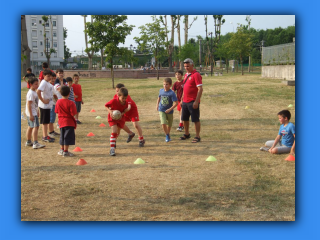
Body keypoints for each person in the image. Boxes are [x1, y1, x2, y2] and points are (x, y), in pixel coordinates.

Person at [180, 58, 203, 143]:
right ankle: (187, 133)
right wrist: (182, 99)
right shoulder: (186, 75)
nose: (186, 68)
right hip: (185, 101)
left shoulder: (196, 75)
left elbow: (200, 89)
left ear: (192, 65)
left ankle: (197, 136)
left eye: (188, 66)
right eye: (185, 66)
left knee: (195, 119)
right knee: (185, 119)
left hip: (192, 101)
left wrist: (196, 101)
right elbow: (185, 88)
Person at [105, 87, 130, 156]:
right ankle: (112, 149)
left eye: (125, 98)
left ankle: (113, 141)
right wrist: (110, 112)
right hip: (112, 118)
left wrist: (121, 114)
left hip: (119, 118)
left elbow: (124, 111)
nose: (124, 100)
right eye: (123, 98)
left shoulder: (126, 103)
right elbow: (106, 106)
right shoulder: (113, 101)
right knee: (114, 131)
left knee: (117, 133)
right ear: (118, 96)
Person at [55, 85, 77, 157]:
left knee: (62, 136)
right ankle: (65, 151)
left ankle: (62, 149)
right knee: (67, 137)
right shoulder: (71, 103)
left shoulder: (58, 102)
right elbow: (73, 113)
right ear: (69, 94)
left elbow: (57, 111)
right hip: (69, 122)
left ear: (61, 93)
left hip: (61, 122)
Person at [25, 77, 45, 149]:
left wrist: (37, 111)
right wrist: (31, 114)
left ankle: (28, 141)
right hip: (31, 113)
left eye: (38, 84)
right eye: (36, 84)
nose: (37, 85)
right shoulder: (31, 93)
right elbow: (29, 104)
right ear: (31, 84)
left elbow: (35, 104)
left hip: (33, 112)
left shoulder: (34, 92)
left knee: (31, 126)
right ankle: (35, 142)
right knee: (35, 127)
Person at [156, 78, 178, 142]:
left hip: (169, 111)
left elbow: (176, 103)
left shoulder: (172, 93)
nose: (165, 86)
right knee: (163, 123)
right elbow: (159, 98)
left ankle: (168, 134)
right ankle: (167, 135)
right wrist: (157, 105)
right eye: (164, 84)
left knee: (169, 124)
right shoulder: (161, 91)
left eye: (167, 84)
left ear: (170, 85)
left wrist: (170, 109)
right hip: (161, 109)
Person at [36, 69, 55, 143]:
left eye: (50, 76)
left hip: (48, 105)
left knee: (47, 121)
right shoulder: (43, 82)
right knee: (44, 122)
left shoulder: (47, 83)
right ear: (44, 76)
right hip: (44, 105)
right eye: (48, 76)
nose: (49, 77)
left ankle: (46, 135)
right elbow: (38, 91)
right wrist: (43, 100)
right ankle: (44, 136)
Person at [48, 72, 60, 138]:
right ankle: (50, 132)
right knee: (51, 119)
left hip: (53, 103)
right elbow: (54, 95)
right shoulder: (50, 86)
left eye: (54, 79)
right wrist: (57, 100)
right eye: (51, 78)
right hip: (51, 104)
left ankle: (52, 130)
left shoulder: (52, 86)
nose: (52, 80)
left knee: (53, 118)